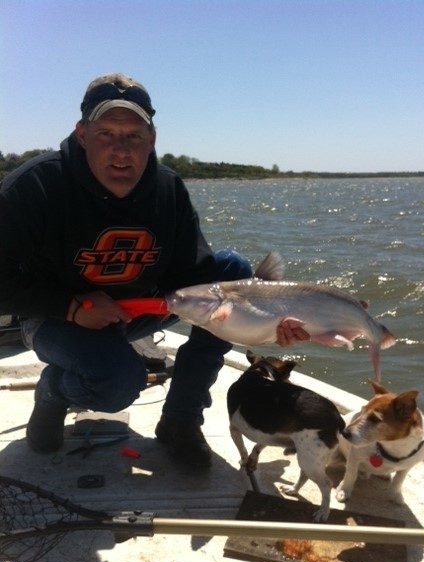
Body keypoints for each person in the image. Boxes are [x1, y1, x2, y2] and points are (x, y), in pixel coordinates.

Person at [0, 73, 308, 469]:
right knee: (118, 383)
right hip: (55, 318)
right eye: (106, 134)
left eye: (133, 136)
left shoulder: (168, 188)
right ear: (82, 134)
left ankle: (180, 420)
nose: (121, 150)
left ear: (152, 139)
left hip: (138, 310)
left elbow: (193, 277)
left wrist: (265, 323)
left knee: (231, 269)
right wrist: (72, 307)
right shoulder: (34, 187)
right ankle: (53, 392)